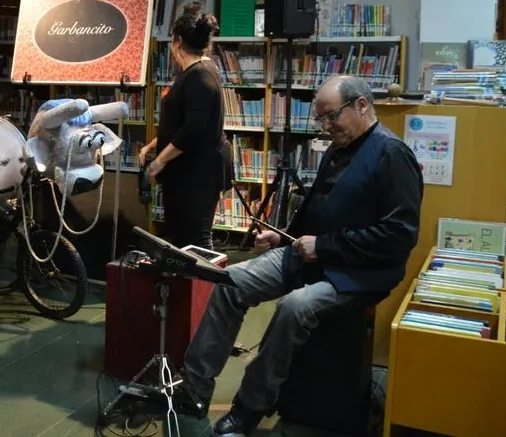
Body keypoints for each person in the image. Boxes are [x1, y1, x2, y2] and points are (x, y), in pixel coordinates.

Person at [176, 74, 423, 436]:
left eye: (331, 116)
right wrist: (282, 237)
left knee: (294, 307)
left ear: (361, 105)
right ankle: (194, 388)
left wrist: (322, 246)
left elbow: (400, 235)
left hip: (358, 272)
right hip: (308, 255)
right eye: (321, 119)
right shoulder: (338, 148)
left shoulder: (393, 155)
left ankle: (250, 407)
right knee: (230, 282)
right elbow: (317, 211)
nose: (326, 127)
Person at [138, 11, 232, 250]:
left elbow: (193, 128)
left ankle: (203, 276)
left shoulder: (200, 75)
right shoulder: (197, 71)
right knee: (181, 235)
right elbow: (180, 122)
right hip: (187, 170)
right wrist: (152, 145)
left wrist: (159, 161)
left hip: (197, 172)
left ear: (177, 41)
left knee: (196, 240)